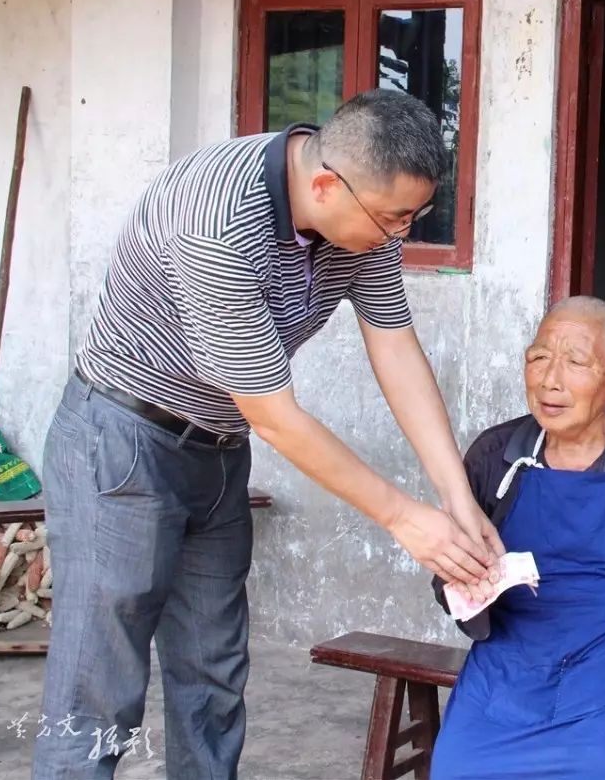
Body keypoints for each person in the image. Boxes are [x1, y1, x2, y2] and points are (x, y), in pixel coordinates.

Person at [33, 90, 502, 780]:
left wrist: (457, 500)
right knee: (99, 687)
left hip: (219, 452)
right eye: (393, 217)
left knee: (214, 678)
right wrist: (406, 519)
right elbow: (276, 415)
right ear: (323, 186)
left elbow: (395, 346)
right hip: (123, 444)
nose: (399, 234)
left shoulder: (361, 218)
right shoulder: (217, 222)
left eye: (414, 217)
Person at [429, 296, 605, 779]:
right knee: (458, 767)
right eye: (539, 357)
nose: (550, 380)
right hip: (511, 662)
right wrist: (464, 587)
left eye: (576, 362)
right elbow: (445, 575)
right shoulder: (495, 456)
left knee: (600, 768)